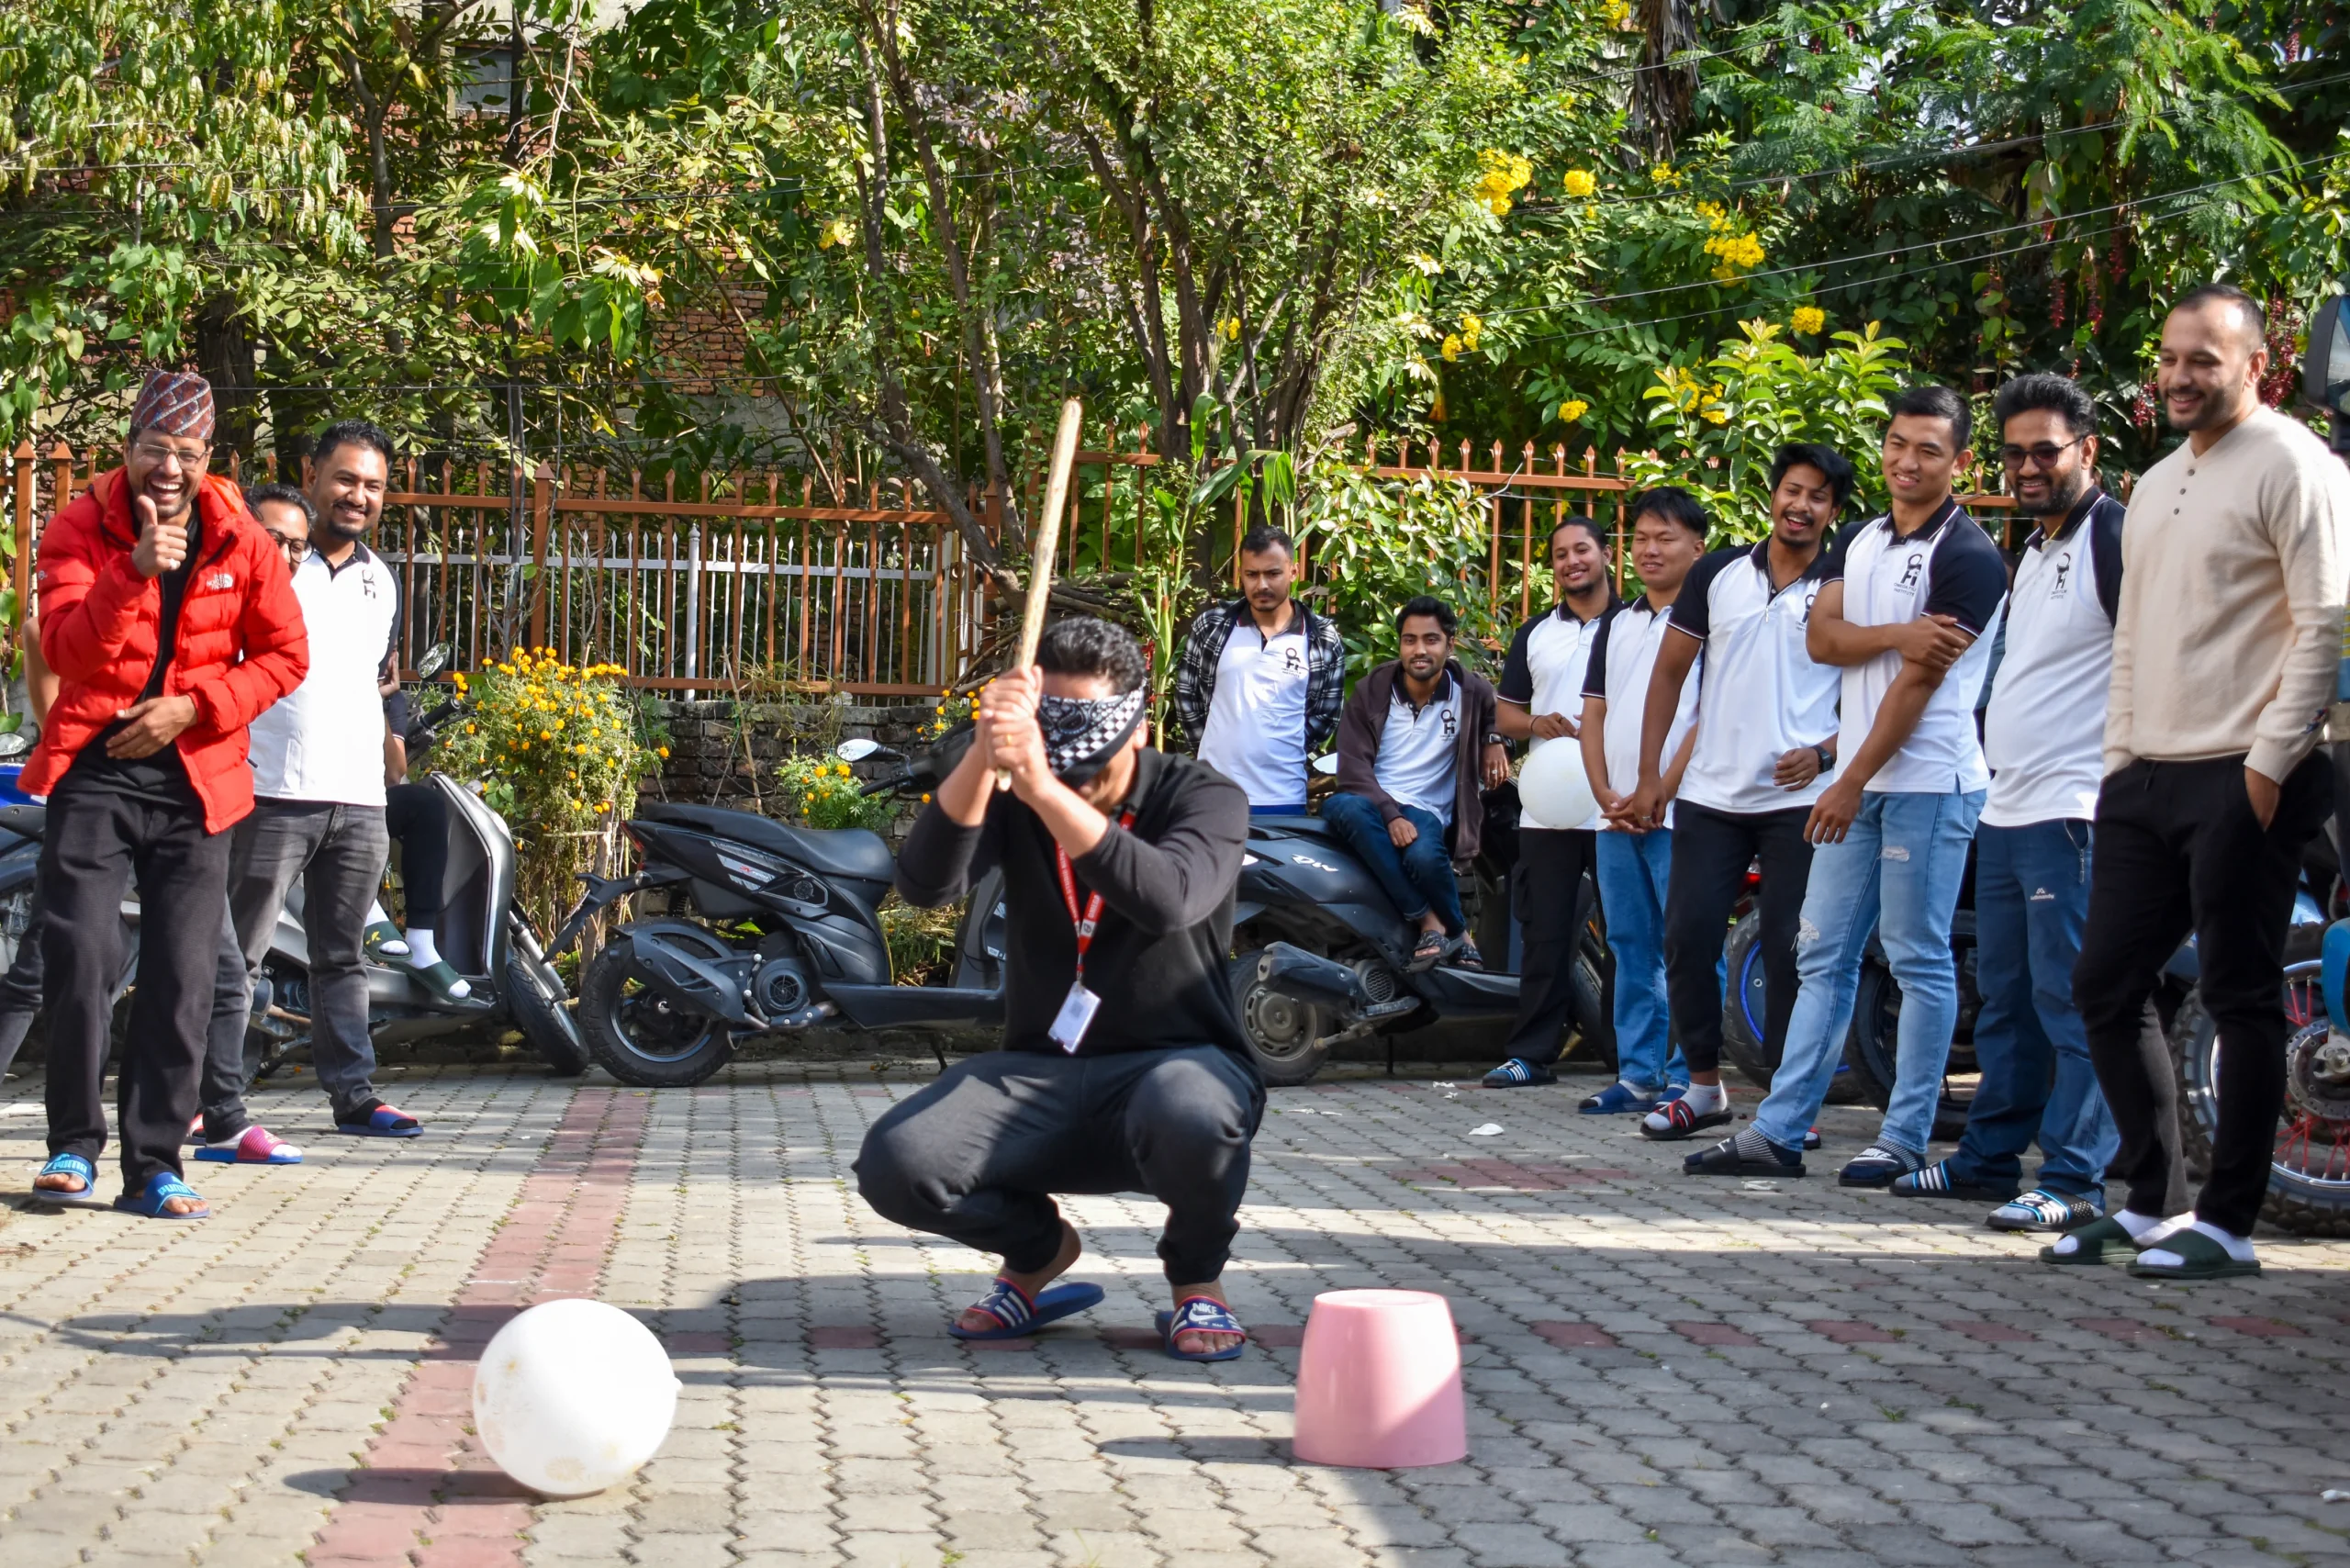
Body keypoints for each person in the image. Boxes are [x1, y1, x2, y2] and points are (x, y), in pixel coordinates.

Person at [856, 617, 1260, 1361]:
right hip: (1041, 1072)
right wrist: (983, 752)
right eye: (1057, 762)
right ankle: (1038, 1252)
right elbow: (923, 886)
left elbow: (1168, 897)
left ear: (1139, 730)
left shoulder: (1207, 798)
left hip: (1177, 1068)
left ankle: (1196, 1282)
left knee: (1192, 1114)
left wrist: (1041, 786)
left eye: (1091, 765)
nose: (1072, 779)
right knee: (896, 1164)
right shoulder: (1014, 794)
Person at [2057, 285, 2350, 1279]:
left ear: (2254, 367)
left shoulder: (2294, 465)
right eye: (2171, 357)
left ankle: (2226, 1224)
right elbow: (2134, 631)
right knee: (2103, 981)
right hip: (2148, 774)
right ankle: (2150, 1201)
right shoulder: (2151, 484)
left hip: (2249, 774)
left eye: (2204, 360)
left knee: (2236, 993)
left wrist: (2268, 766)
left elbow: (2324, 621)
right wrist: (2118, 756)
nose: (2180, 375)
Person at [1687, 386, 2006, 1182]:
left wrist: (1847, 777)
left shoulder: (1968, 557)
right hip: (1862, 789)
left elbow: (1915, 687)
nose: (1907, 460)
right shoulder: (1859, 540)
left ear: (1959, 462)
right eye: (1898, 443)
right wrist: (1899, 633)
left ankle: (1901, 1139)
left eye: (1929, 449)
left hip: (1929, 785)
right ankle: (1780, 1132)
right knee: (1820, 952)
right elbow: (1823, 641)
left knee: (1915, 958)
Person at [26, 370, 308, 1217]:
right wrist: (133, 572)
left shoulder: (241, 536)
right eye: (155, 449)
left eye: (186, 453)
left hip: (197, 780)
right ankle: (72, 1147)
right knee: (81, 959)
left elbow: (286, 657)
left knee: (185, 978)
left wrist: (193, 706)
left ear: (208, 457)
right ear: (128, 449)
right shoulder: (79, 526)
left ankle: (154, 1165)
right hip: (95, 774)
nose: (170, 468)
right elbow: (69, 654)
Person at [1888, 375, 2122, 1229]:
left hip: (2074, 808)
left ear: (2087, 452)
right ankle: (1989, 1161)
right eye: (2016, 452)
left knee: (2071, 1004)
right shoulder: (2033, 548)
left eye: (2046, 451)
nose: (2028, 466)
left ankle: (2073, 1181)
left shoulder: (2112, 538)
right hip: (2008, 804)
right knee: (2009, 1004)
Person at [1620, 445, 1853, 1140]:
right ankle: (1703, 1088)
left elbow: (1875, 693)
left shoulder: (1845, 582)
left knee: (1788, 948)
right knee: (1687, 939)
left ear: (1833, 511)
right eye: (1792, 489)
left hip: (1800, 801)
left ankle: (1787, 1107)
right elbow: (1669, 675)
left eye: (1817, 496)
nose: (1800, 505)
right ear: (1773, 495)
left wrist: (1825, 752)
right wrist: (1650, 778)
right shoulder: (1719, 573)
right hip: (1710, 796)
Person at [226, 420, 416, 1138]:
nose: (357, 496)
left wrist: (390, 744)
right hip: (270, 789)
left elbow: (373, 679)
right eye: (345, 479)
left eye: (371, 485)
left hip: (359, 798)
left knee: (342, 960)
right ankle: (220, 1103)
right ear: (311, 472)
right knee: (238, 956)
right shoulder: (273, 558)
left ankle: (356, 1097)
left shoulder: (379, 579)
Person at [1563, 488, 1708, 1114]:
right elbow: (1592, 713)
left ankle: (1691, 1074)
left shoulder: (1709, 624)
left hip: (1680, 811)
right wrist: (1603, 792)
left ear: (1697, 549)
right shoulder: (1618, 624)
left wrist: (1663, 787)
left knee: (1688, 944)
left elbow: (1710, 716)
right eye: (1642, 538)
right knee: (1630, 944)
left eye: (1665, 538)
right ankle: (1639, 1073)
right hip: (1615, 813)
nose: (1650, 550)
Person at [1483, 516, 1615, 1086]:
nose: (1570, 562)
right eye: (1559, 554)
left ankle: (1630, 1060)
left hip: (1617, 807)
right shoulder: (1536, 632)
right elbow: (1504, 713)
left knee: (1628, 937)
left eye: (1581, 549)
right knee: (1544, 935)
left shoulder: (1637, 625)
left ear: (1605, 554)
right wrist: (1538, 721)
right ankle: (1531, 1055)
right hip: (1547, 808)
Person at [1321, 597, 1507, 970]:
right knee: (1341, 806)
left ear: (1449, 645)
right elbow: (1353, 767)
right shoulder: (1374, 689)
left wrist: (1494, 741)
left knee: (1422, 855)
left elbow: (1502, 720)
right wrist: (1390, 815)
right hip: (1373, 802)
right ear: (1400, 645)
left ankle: (1447, 930)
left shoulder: (1470, 692)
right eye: (1409, 640)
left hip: (1427, 809)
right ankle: (1441, 925)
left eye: (1431, 639)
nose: (1419, 650)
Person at [1171, 525, 1345, 813]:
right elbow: (1188, 699)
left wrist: (1279, 747)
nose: (1261, 584)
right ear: (1241, 574)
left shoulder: (1322, 639)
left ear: (1293, 571)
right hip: (1214, 794)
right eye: (1252, 574)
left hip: (1283, 796)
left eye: (1273, 573)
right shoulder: (1212, 627)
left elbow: (1326, 714)